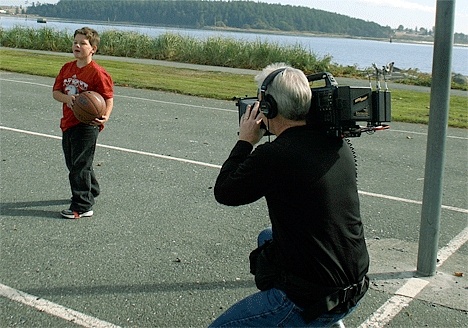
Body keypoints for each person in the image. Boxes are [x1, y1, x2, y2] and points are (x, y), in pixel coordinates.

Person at [211, 63, 369, 327]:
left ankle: (302, 318)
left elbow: (225, 192)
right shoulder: (336, 142)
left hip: (314, 300)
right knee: (267, 236)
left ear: (269, 107)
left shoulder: (276, 155)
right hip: (355, 284)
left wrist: (245, 141)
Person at [52, 27, 114, 219]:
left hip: (88, 125)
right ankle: (91, 189)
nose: (77, 46)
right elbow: (56, 93)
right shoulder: (67, 68)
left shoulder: (97, 73)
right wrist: (67, 99)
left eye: (82, 43)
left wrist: (106, 115)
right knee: (74, 162)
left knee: (80, 165)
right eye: (75, 42)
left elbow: (108, 98)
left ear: (93, 49)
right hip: (69, 122)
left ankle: (82, 205)